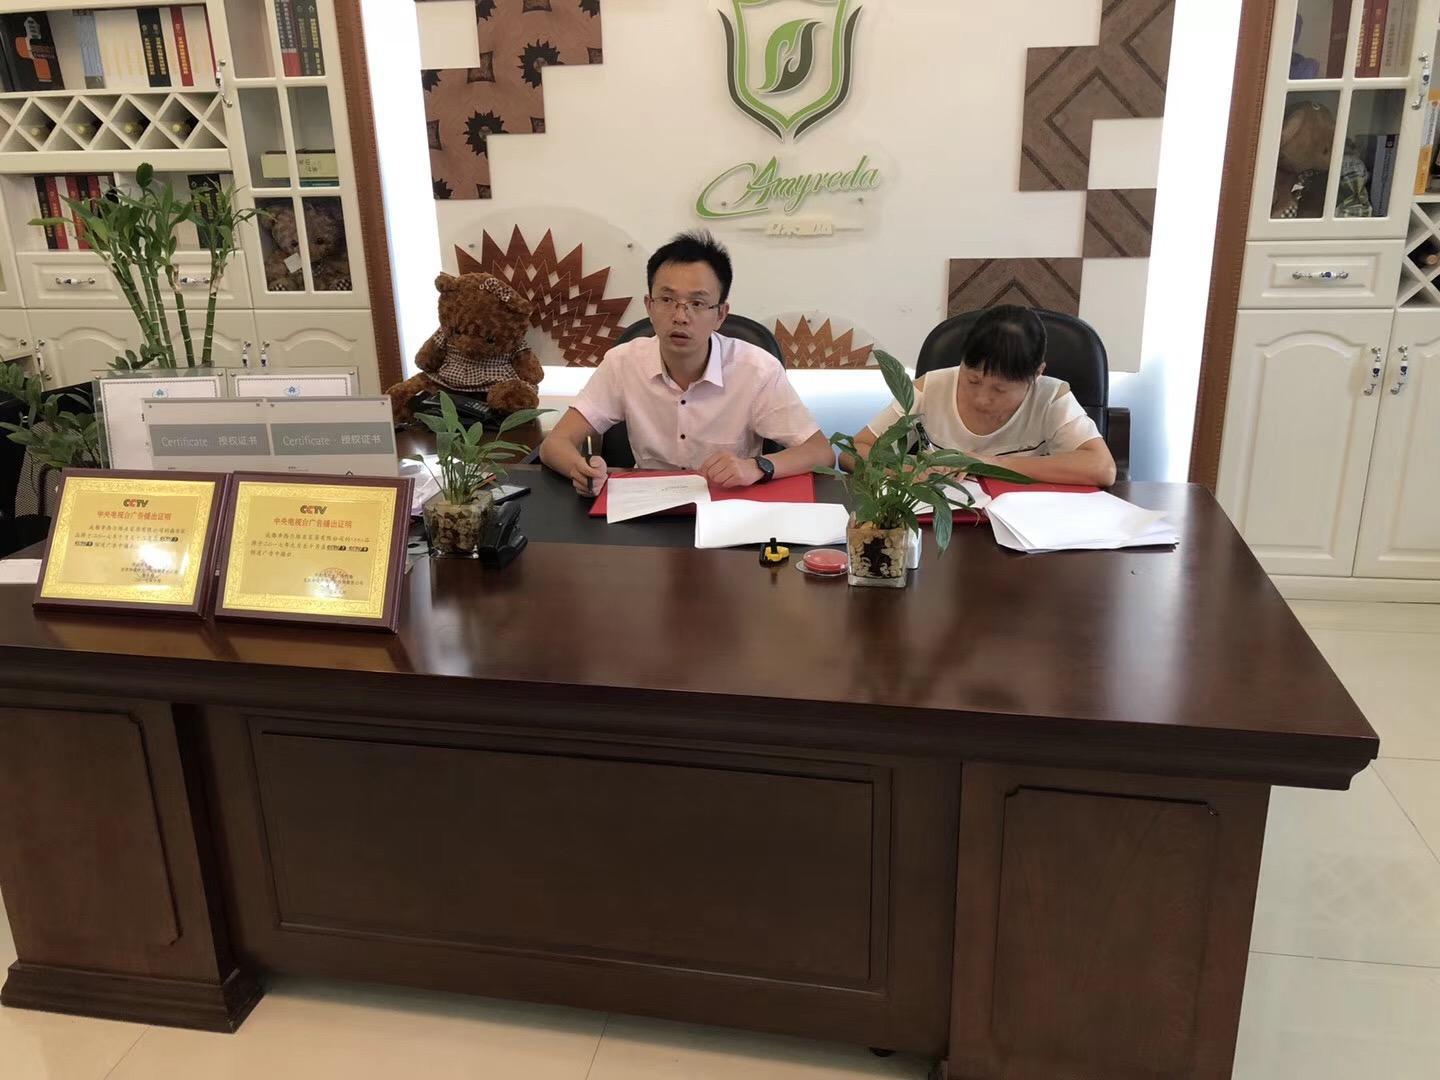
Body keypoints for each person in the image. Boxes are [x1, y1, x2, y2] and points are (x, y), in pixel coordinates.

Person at [539, 231, 833, 493]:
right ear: (649, 306)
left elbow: (821, 452)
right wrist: (581, 470)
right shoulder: (623, 362)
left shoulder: (757, 370)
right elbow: (555, 444)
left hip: (727, 506)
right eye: (667, 300)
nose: (680, 316)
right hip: (647, 508)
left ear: (720, 314)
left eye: (697, 303)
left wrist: (757, 466)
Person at [848, 305, 1117, 486]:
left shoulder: (1051, 397)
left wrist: (989, 464)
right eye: (972, 380)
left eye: (1000, 389)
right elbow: (854, 451)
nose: (981, 398)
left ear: (1037, 373)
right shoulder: (929, 388)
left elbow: (1103, 469)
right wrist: (905, 471)